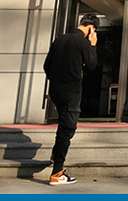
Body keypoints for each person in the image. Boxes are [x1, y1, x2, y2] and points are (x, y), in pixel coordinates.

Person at [42, 14, 99, 186]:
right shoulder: (83, 42)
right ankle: (57, 172)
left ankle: (56, 153)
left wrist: (56, 79)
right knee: (67, 128)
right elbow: (92, 65)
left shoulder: (59, 40)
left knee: (63, 124)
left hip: (55, 89)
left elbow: (46, 65)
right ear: (91, 28)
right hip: (71, 91)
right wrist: (92, 45)